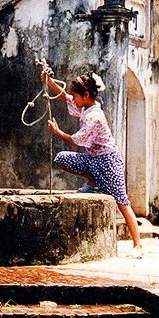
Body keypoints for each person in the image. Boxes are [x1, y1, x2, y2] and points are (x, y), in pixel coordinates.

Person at [41, 69, 144, 258]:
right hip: (94, 160)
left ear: (86, 95)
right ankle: (94, 181)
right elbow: (66, 98)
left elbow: (76, 139)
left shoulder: (94, 116)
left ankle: (138, 245)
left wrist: (57, 132)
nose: (73, 99)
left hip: (109, 161)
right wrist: (50, 82)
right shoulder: (86, 106)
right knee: (62, 158)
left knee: (122, 201)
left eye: (76, 95)